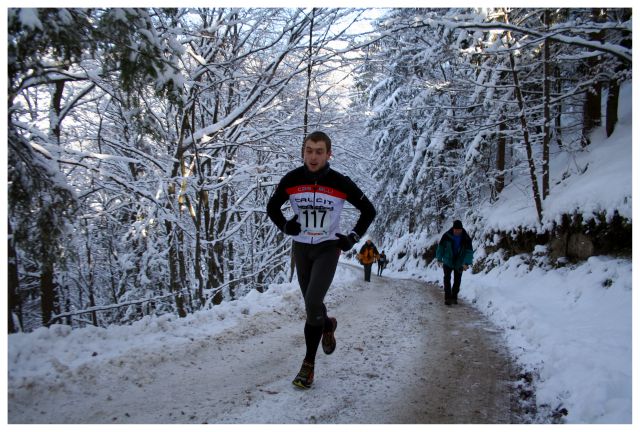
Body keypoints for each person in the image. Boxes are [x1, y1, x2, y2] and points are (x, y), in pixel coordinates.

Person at [266, 131, 376, 389]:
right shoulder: (291, 179)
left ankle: (308, 365)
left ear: (329, 154)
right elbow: (272, 207)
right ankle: (328, 324)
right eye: (309, 150)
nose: (313, 156)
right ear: (303, 152)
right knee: (312, 307)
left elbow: (368, 210)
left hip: (328, 248)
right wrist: (285, 226)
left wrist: (352, 237)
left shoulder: (340, 182)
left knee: (313, 302)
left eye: (319, 151)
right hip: (301, 250)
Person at [435, 220, 473, 306]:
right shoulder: (447, 235)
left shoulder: (466, 238)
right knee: (447, 278)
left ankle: (454, 297)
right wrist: (439, 258)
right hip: (448, 260)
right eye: (455, 230)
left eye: (459, 230)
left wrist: (466, 263)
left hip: (459, 262)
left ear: (461, 229)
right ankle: (448, 298)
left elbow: (469, 252)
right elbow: (440, 247)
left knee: (457, 280)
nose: (457, 232)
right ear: (453, 228)